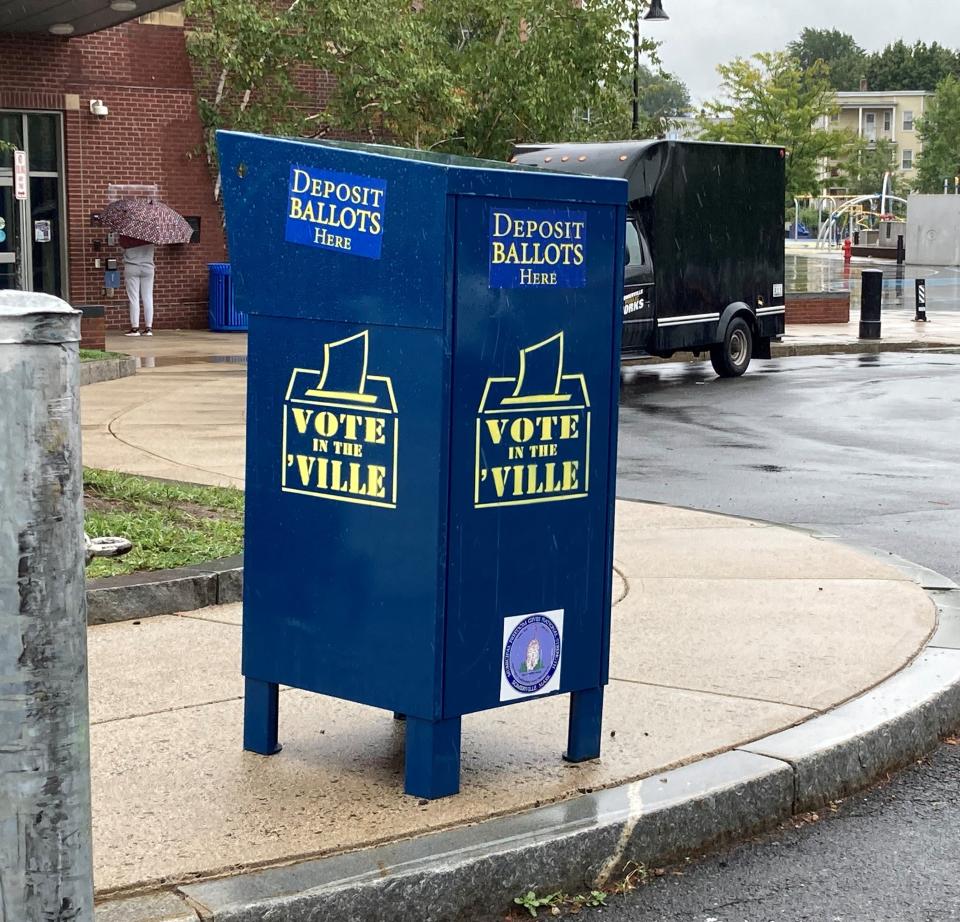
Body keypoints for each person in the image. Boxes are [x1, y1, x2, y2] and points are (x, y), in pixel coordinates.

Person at [118, 234, 156, 336]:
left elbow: (122, 250)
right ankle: (148, 328)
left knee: (133, 298)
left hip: (132, 267)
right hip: (148, 268)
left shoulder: (126, 235)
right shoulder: (151, 235)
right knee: (148, 297)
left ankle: (135, 328)